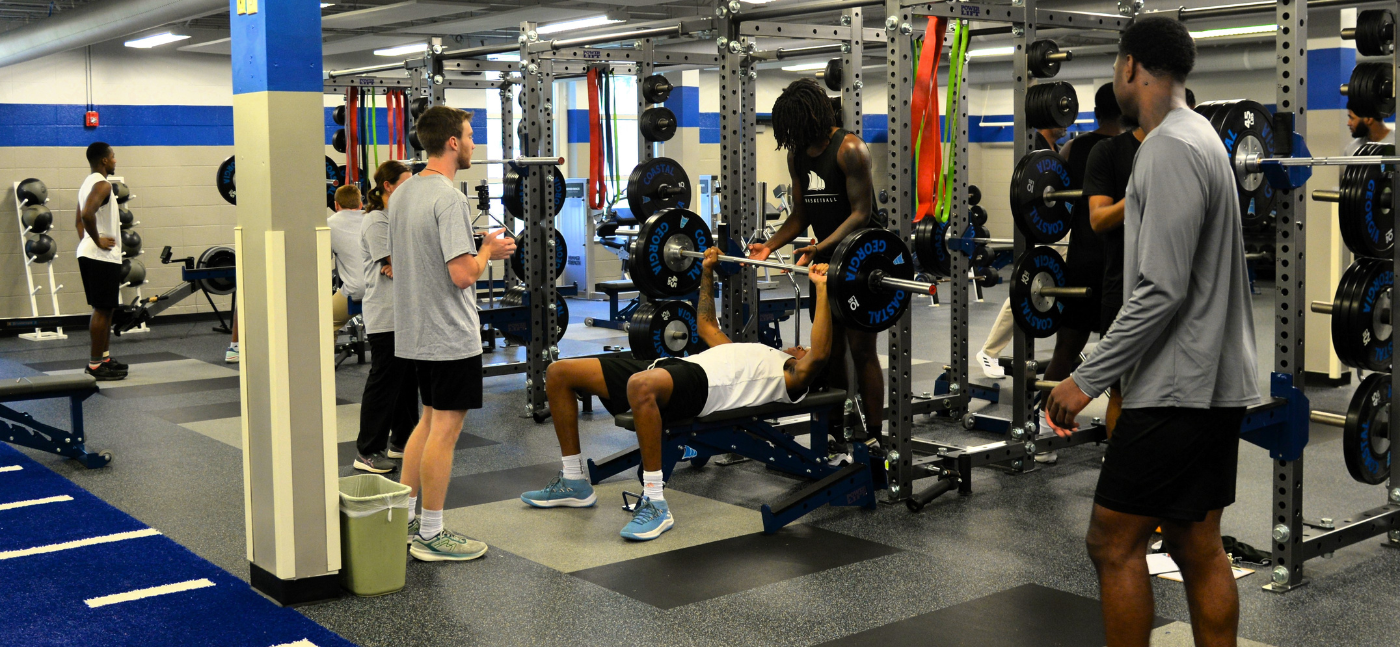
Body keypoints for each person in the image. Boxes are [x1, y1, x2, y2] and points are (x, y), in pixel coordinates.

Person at [1044, 17, 1259, 647]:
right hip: (1213, 383)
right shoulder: (1204, 139)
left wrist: (1086, 379)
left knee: (1112, 542)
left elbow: (1160, 290)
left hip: (1175, 388)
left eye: (1116, 63)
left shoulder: (1166, 147)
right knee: (1197, 542)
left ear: (1131, 65)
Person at [522, 248, 833, 540]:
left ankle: (656, 502)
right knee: (559, 373)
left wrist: (820, 288)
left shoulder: (788, 375)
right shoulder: (755, 350)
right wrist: (707, 271)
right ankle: (574, 480)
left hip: (704, 387)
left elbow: (819, 354)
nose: (800, 345)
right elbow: (706, 325)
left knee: (639, 386)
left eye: (803, 348)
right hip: (674, 367)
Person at [392, 106, 516, 562]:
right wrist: (489, 249)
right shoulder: (447, 198)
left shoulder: (403, 193)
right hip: (449, 332)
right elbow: (463, 274)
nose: (472, 143)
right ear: (450, 143)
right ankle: (432, 532)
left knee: (427, 422)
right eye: (468, 135)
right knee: (444, 429)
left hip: (417, 331)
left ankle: (404, 520)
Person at [752, 78, 885, 448]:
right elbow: (800, 214)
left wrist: (819, 247)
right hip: (825, 261)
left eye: (797, 129)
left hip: (863, 259)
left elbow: (861, 213)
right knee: (827, 351)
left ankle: (874, 435)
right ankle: (834, 429)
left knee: (862, 349)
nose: (792, 138)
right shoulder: (797, 154)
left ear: (813, 118)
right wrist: (770, 244)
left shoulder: (850, 150)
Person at [1033, 83, 1123, 463]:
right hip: (1116, 263)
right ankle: (1120, 447)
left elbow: (1055, 200)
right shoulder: (1128, 150)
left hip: (1081, 258)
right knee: (1120, 359)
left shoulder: (1074, 147)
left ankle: (1040, 423)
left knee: (1067, 349)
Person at [974, 121, 1061, 380]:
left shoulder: (1056, 148)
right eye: (1060, 119)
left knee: (1050, 287)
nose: (1067, 123)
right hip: (1041, 228)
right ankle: (988, 351)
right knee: (1028, 290)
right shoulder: (1033, 146)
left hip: (1056, 228)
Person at [352, 161, 415, 474]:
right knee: (384, 383)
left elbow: (411, 258)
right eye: (405, 181)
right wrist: (402, 262)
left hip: (406, 310)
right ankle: (368, 450)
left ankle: (402, 441)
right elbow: (393, 261)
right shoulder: (376, 220)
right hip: (385, 313)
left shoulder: (398, 216)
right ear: (388, 185)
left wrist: (405, 263)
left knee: (406, 381)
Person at [74, 142, 127, 381]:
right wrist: (96, 241)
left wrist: (88, 241)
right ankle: (95, 364)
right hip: (100, 256)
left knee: (107, 308)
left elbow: (78, 221)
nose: (115, 160)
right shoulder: (103, 184)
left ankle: (104, 357)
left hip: (98, 255)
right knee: (102, 309)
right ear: (104, 160)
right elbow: (86, 215)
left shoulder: (86, 184)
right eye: (113, 157)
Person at [328, 184, 366, 335]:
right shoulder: (375, 218)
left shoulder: (329, 224)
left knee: (326, 322)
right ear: (361, 203)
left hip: (357, 290)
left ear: (336, 205)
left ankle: (328, 359)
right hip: (384, 288)